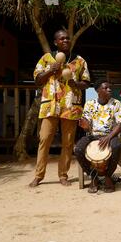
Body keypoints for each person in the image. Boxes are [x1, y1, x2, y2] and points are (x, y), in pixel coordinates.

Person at [29, 29, 90, 187]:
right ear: (55, 42)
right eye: (61, 39)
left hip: (71, 106)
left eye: (67, 38)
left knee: (68, 142)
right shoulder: (46, 59)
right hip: (50, 106)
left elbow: (87, 82)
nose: (65, 41)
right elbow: (37, 80)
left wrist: (75, 84)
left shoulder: (79, 60)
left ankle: (63, 175)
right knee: (44, 139)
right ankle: (38, 175)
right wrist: (51, 70)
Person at [75, 81, 121, 193]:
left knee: (116, 146)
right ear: (98, 91)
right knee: (78, 149)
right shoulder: (89, 104)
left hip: (110, 136)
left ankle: (108, 176)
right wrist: (85, 126)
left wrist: (108, 137)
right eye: (105, 88)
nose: (109, 89)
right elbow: (87, 127)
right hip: (92, 136)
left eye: (109, 87)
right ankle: (94, 177)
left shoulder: (116, 103)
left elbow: (120, 124)